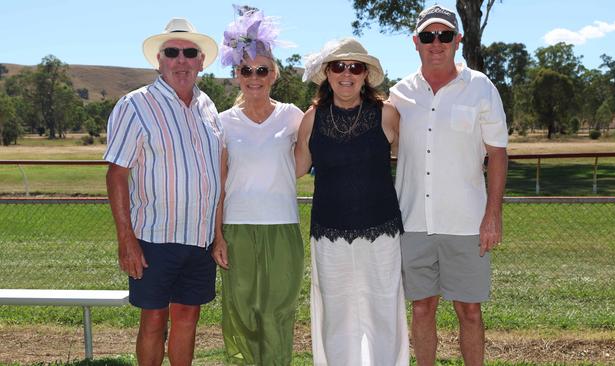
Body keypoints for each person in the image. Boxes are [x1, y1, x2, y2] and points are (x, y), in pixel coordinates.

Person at [388, 5, 509, 366]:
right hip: (413, 222)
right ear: (416, 42)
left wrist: (493, 216)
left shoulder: (481, 88)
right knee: (422, 309)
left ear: (458, 40)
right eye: (428, 36)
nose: (436, 43)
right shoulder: (399, 95)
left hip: (466, 223)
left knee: (469, 311)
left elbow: (498, 155)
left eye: (444, 35)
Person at [104, 18, 222, 366]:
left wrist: (217, 236)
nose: (181, 60)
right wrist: (126, 238)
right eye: (172, 52)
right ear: (159, 59)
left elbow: (215, 174)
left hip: (198, 239)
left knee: (187, 318)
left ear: (201, 61)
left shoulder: (208, 107)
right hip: (154, 237)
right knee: (154, 321)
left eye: (189, 53)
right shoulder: (135, 105)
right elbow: (116, 174)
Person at [296, 37, 409, 366]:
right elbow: (297, 167)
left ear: (365, 75)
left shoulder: (387, 114)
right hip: (329, 233)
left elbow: (416, 159)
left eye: (355, 67)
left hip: (382, 232)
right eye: (338, 67)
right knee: (337, 317)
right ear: (327, 74)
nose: (347, 73)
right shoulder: (312, 118)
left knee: (384, 312)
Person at [211, 6, 305, 365]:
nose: (254, 77)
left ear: (274, 74)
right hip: (237, 228)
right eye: (246, 70)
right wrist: (218, 235)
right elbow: (219, 185)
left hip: (282, 226)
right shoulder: (223, 123)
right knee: (242, 312)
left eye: (262, 70)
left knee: (278, 311)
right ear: (236, 74)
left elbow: (302, 162)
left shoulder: (292, 116)